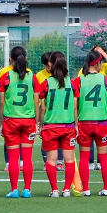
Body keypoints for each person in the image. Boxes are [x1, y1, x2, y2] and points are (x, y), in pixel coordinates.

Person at [71, 48, 107, 196]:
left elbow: (75, 105)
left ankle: (86, 189)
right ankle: (106, 188)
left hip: (84, 123)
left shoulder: (78, 80)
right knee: (104, 157)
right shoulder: (105, 79)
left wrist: (76, 124)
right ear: (98, 63)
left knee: (84, 157)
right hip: (102, 122)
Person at [0, 46, 38, 198]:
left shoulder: (5, 77)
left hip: (11, 120)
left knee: (13, 158)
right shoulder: (32, 77)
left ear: (11, 59)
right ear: (25, 58)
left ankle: (14, 189)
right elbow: (36, 101)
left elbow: (2, 102)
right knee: (27, 158)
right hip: (28, 120)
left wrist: (1, 122)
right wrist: (37, 122)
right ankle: (27, 189)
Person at [36, 52, 76, 198]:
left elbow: (42, 107)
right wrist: (76, 125)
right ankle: (66, 190)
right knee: (69, 159)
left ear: (50, 64)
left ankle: (54, 190)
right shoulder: (72, 82)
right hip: (68, 126)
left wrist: (40, 125)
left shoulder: (46, 83)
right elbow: (75, 106)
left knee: (51, 160)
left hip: (51, 126)